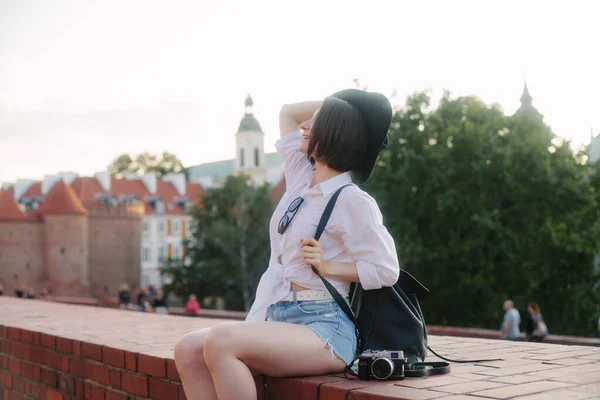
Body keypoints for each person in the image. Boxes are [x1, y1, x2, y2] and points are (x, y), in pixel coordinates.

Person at [174, 89, 399, 400]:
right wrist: (340, 107)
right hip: (279, 314)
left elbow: (386, 270)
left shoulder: (352, 200)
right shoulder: (299, 178)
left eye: (316, 122)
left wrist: (327, 266)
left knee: (222, 341)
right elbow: (287, 112)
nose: (304, 125)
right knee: (188, 348)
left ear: (333, 132)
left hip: (325, 327)